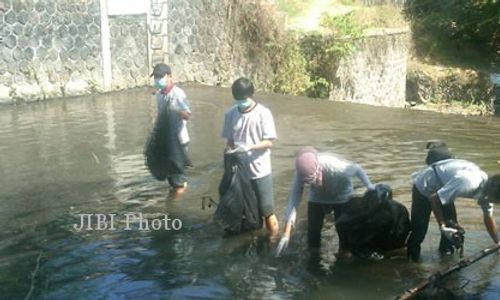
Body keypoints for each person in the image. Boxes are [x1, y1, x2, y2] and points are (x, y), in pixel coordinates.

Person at [276, 147, 375, 259]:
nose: (310, 182)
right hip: (317, 197)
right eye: (308, 181)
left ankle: (344, 254)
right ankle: (314, 257)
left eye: (312, 178)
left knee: (343, 230)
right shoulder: (300, 173)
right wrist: (286, 233)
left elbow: (357, 169)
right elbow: (293, 200)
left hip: (341, 195)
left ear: (318, 168)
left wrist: (369, 186)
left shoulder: (335, 166)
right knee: (313, 231)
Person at [406, 156, 500, 261]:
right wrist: (442, 226)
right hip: (425, 185)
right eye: (496, 201)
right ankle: (411, 263)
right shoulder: (467, 183)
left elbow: (488, 218)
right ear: (491, 195)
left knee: (453, 232)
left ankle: (445, 260)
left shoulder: (487, 191)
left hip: (445, 188)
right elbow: (434, 199)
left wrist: (497, 243)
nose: (495, 203)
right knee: (419, 231)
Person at [221, 77, 279, 238]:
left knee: (267, 211)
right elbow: (230, 142)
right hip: (239, 172)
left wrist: (250, 147)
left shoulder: (263, 113)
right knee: (241, 210)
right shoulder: (230, 114)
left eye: (243, 98)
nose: (241, 101)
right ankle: (251, 237)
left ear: (252, 95)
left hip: (259, 170)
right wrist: (228, 156)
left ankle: (273, 241)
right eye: (238, 98)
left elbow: (269, 142)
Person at [151, 63, 191, 197]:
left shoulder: (178, 94)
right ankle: (177, 192)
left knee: (178, 179)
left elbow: (187, 115)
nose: (157, 80)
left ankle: (173, 207)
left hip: (179, 141)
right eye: (155, 77)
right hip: (166, 140)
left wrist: (174, 110)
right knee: (171, 176)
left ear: (169, 76)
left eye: (160, 76)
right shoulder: (159, 95)